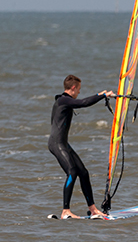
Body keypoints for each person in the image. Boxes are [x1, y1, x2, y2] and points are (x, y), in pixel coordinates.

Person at [48, 74, 115, 219]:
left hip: (63, 143)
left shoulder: (63, 101)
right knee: (72, 171)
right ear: (73, 88)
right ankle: (66, 211)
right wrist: (101, 95)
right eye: (78, 89)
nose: (79, 92)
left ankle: (93, 209)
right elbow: (84, 103)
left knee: (83, 173)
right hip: (57, 143)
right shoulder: (64, 100)